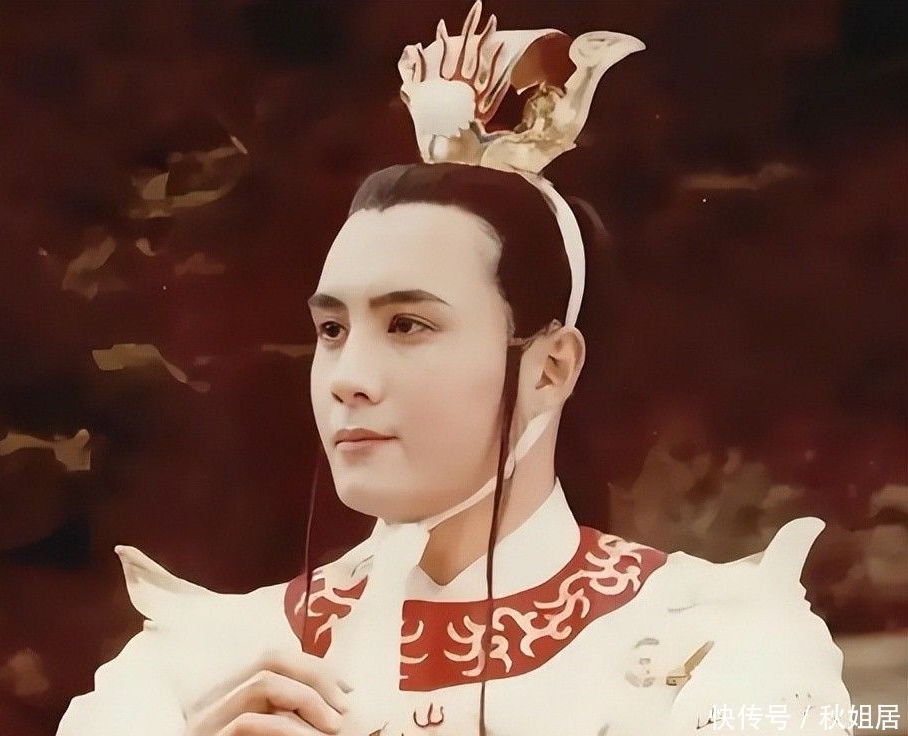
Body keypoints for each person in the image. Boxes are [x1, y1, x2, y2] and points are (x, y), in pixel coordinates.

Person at [57, 4, 854, 735]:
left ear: (549, 368)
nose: (347, 377)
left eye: (408, 325)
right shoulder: (195, 665)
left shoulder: (723, 645)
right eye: (331, 329)